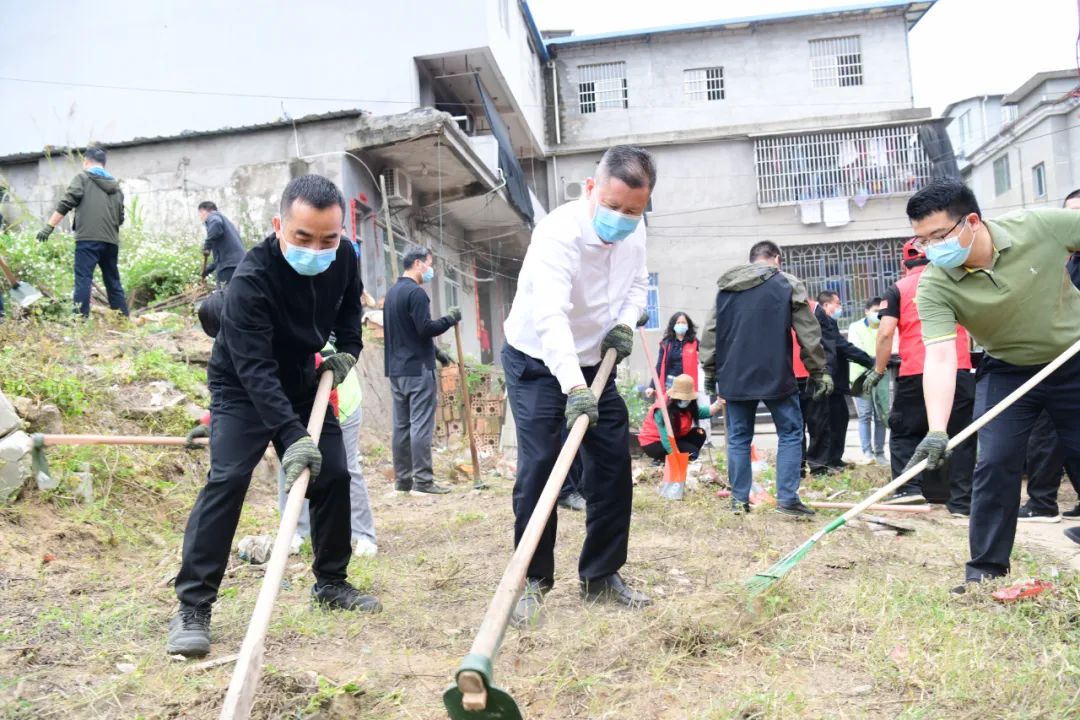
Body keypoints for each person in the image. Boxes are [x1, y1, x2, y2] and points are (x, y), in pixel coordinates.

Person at [166, 175, 380, 658]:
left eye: (328, 238)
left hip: (304, 377)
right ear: (279, 225)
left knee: (334, 474)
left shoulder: (343, 257)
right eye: (303, 238)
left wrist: (346, 349)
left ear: (341, 231)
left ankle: (331, 583)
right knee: (229, 479)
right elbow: (255, 371)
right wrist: (289, 435)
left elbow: (350, 307)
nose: (316, 248)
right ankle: (193, 605)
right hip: (242, 385)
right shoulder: (250, 280)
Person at [899, 179, 1080, 589]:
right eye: (922, 240)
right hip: (1008, 370)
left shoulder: (1039, 227)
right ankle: (986, 571)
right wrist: (937, 429)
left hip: (1073, 359)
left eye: (938, 236)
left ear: (972, 221)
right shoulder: (936, 284)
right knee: (995, 461)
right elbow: (942, 357)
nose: (930, 249)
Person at [502, 144, 653, 628]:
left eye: (632, 210)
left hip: (596, 360)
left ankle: (601, 575)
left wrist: (625, 324)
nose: (621, 218)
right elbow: (550, 317)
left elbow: (637, 286)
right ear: (591, 189)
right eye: (611, 207)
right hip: (539, 361)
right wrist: (572, 386)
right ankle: (531, 580)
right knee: (543, 466)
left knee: (611, 463)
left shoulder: (635, 230)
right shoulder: (557, 235)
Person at [702, 240, 830, 516]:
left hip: (734, 374)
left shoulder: (727, 286)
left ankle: (739, 501)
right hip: (776, 372)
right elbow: (808, 331)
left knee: (737, 437)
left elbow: (712, 330)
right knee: (791, 433)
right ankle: (787, 500)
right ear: (777, 259)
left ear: (751, 260)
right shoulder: (787, 283)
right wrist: (817, 369)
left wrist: (710, 370)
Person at [863, 240, 975, 513]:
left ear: (905, 264)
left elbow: (886, 332)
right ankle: (961, 501)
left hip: (916, 370)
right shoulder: (955, 281)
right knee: (960, 435)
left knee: (906, 431)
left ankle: (908, 489)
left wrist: (878, 370)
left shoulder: (898, 289)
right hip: (957, 368)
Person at [1015, 190, 1080, 524]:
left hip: (1070, 362)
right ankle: (1042, 501)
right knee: (1053, 430)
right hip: (1056, 360)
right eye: (1069, 213)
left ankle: (1041, 503)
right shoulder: (1059, 261)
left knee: (1052, 431)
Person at [277, 345, 378, 557]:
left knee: (344, 466)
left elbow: (328, 399)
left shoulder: (308, 349)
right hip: (297, 406)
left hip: (341, 403)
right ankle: (295, 531)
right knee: (290, 461)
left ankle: (363, 534)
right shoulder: (262, 347)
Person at [383, 245, 461, 495]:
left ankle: (403, 481)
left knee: (402, 426)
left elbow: (406, 332)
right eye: (429, 263)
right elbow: (425, 328)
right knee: (420, 426)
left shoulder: (392, 293)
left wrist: (438, 354)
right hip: (417, 371)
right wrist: (450, 319)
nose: (431, 269)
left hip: (397, 371)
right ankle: (424, 481)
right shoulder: (416, 294)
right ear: (418, 263)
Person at [36, 146, 128, 317]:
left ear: (86, 161)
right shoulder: (117, 187)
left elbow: (66, 203)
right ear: (103, 164)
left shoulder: (82, 178)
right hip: (111, 242)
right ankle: (123, 319)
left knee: (83, 280)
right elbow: (121, 218)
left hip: (88, 240)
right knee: (113, 281)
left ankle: (80, 320)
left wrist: (49, 227)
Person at [806, 291, 873, 473]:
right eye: (837, 303)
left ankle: (834, 458)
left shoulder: (829, 322)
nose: (839, 308)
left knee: (840, 419)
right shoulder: (819, 320)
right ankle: (821, 463)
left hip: (836, 381)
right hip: (823, 379)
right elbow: (839, 347)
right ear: (826, 305)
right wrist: (868, 360)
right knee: (822, 422)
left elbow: (841, 347)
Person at [638, 374, 722, 462]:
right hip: (654, 442)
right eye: (682, 398)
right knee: (692, 452)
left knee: (699, 434)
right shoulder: (662, 408)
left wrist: (718, 404)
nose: (685, 401)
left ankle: (677, 458)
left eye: (687, 398)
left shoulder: (689, 404)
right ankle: (662, 459)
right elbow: (666, 438)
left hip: (675, 438)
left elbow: (702, 412)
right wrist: (675, 455)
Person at [847, 297, 889, 466]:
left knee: (881, 416)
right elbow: (857, 350)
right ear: (866, 311)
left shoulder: (887, 326)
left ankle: (880, 453)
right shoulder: (855, 327)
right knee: (865, 415)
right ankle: (867, 452)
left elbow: (893, 349)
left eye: (881, 312)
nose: (878, 315)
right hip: (860, 377)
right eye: (875, 311)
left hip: (882, 377)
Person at [645, 312, 698, 398]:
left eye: (683, 323)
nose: (681, 325)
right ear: (673, 325)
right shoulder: (666, 344)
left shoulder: (695, 343)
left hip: (688, 387)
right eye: (678, 323)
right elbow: (659, 366)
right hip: (670, 387)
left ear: (688, 326)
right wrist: (651, 386)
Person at [197, 201, 245, 285]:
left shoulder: (213, 216)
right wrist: (209, 269)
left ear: (203, 211)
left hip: (228, 267)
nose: (200, 218)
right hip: (238, 264)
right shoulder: (228, 225)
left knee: (224, 294)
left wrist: (207, 246)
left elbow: (216, 222)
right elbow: (221, 257)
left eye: (200, 214)